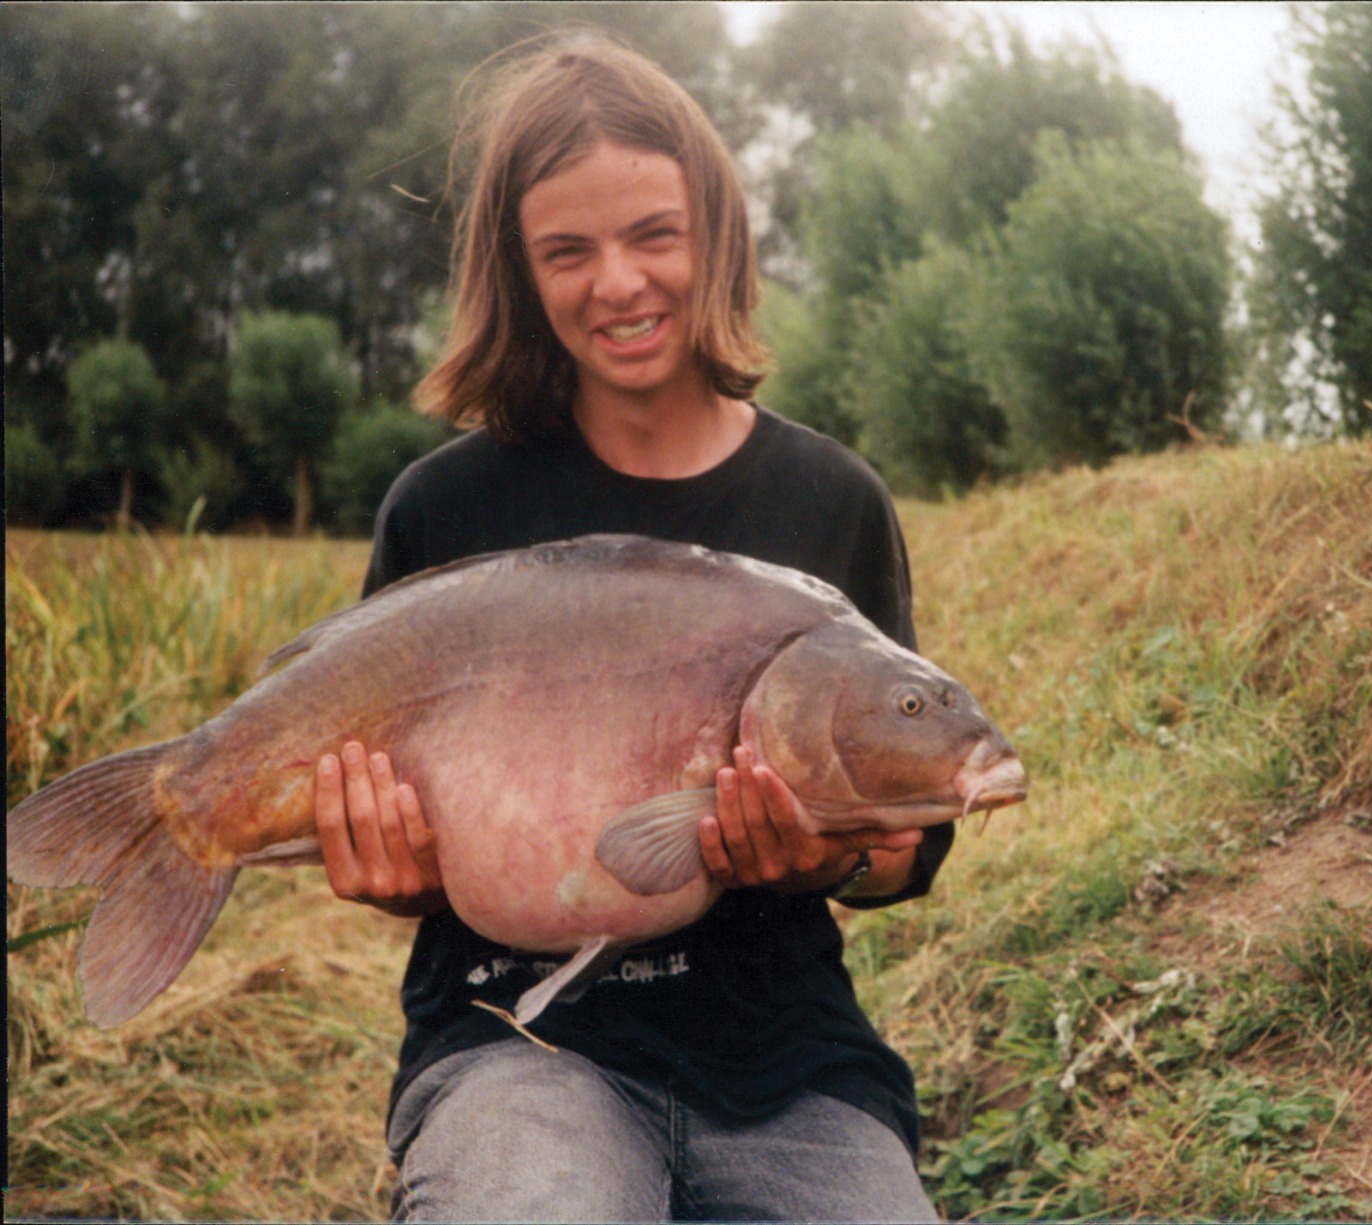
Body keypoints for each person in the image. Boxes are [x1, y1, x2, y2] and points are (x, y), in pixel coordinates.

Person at [308, 33, 949, 1223]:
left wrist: (832, 855)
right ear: (519, 269)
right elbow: (413, 859)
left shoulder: (831, 502)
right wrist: (384, 871)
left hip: (788, 1057)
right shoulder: (443, 510)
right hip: (511, 1045)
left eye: (654, 233)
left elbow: (900, 851)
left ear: (716, 230)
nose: (619, 282)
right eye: (569, 250)